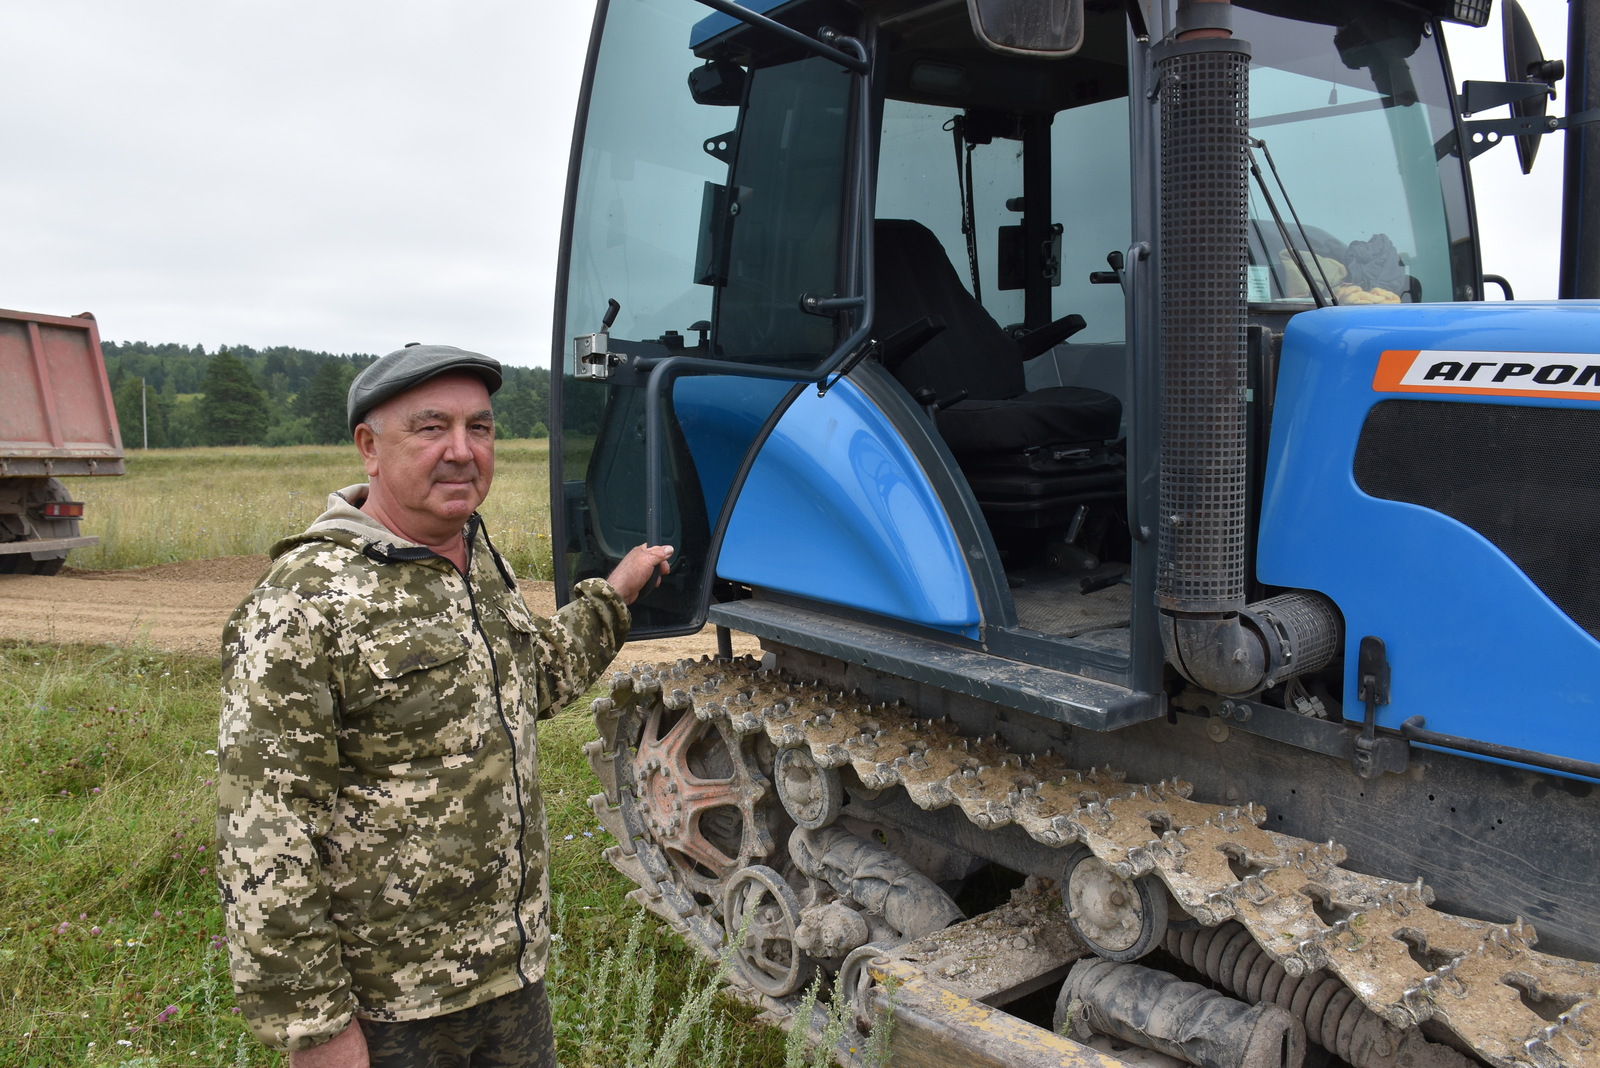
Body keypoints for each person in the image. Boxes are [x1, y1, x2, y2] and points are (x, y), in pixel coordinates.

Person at [216, 343, 671, 1068]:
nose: (462, 451)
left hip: (508, 973)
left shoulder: (473, 558)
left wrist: (613, 596)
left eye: (480, 428)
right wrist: (319, 1032)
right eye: (431, 428)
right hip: (392, 1006)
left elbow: (534, 679)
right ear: (370, 447)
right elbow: (266, 835)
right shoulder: (303, 601)